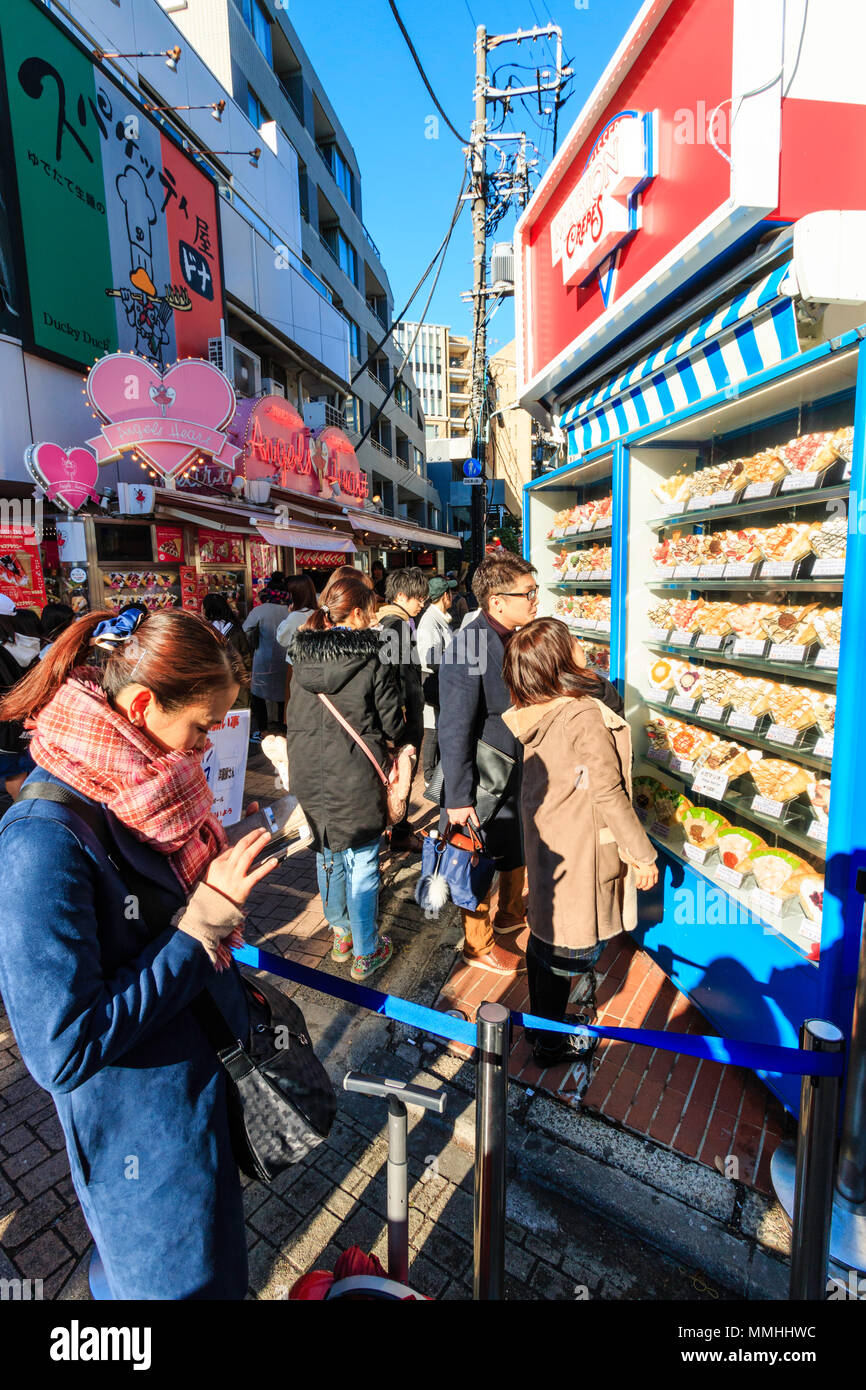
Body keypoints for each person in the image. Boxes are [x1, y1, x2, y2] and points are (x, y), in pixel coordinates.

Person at [0, 606, 280, 1298]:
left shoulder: (129, 793)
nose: (207, 748)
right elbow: (59, 1047)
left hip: (192, 1102)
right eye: (201, 727)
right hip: (141, 1142)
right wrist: (200, 928)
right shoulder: (42, 838)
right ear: (145, 704)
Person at [502, 618, 659, 1067]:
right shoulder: (581, 713)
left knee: (545, 937)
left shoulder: (537, 708)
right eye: (571, 641)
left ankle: (540, 1030)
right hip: (582, 846)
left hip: (552, 840)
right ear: (558, 659)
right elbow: (608, 791)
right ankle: (551, 1043)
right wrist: (641, 854)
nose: (579, 645)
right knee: (566, 951)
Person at [285, 575, 404, 981]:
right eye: (370, 610)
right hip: (354, 770)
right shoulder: (374, 656)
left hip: (307, 769)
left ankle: (341, 935)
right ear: (355, 613)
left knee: (328, 852)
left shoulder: (299, 657)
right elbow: (390, 723)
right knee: (364, 859)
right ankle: (367, 950)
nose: (374, 618)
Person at [438, 553, 539, 975]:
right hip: (485, 779)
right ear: (497, 601)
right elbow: (454, 726)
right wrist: (458, 798)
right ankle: (476, 945)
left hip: (516, 773)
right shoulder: (470, 644)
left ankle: (512, 911)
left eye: (536, 591)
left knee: (514, 846)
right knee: (475, 860)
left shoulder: (516, 635)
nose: (535, 600)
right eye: (528, 593)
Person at [376, 567, 429, 852]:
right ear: (400, 595)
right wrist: (400, 717)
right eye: (417, 598)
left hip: (401, 713)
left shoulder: (388, 622)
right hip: (404, 715)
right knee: (403, 774)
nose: (421, 604)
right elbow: (394, 677)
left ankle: (397, 827)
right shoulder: (395, 625)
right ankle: (399, 830)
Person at [415, 575, 455, 786]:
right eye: (451, 593)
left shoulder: (439, 617)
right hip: (431, 678)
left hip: (438, 678)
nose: (453, 596)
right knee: (432, 726)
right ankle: (430, 775)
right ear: (444, 596)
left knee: (437, 724)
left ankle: (434, 772)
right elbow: (430, 658)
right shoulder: (430, 621)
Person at [0, 598, 40, 799]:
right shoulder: (29, 645)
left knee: (14, 776)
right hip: (24, 720)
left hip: (6, 722)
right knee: (20, 773)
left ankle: (22, 813)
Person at [242, 576, 290, 742]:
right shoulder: (290, 610)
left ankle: (263, 730)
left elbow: (245, 628)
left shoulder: (260, 610)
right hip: (286, 661)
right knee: (284, 694)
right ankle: (283, 727)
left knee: (258, 695)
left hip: (264, 660)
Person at [274, 574, 319, 705]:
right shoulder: (317, 613)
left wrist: (289, 615)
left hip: (296, 664)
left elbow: (282, 639)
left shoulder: (295, 616)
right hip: (317, 664)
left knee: (295, 701)